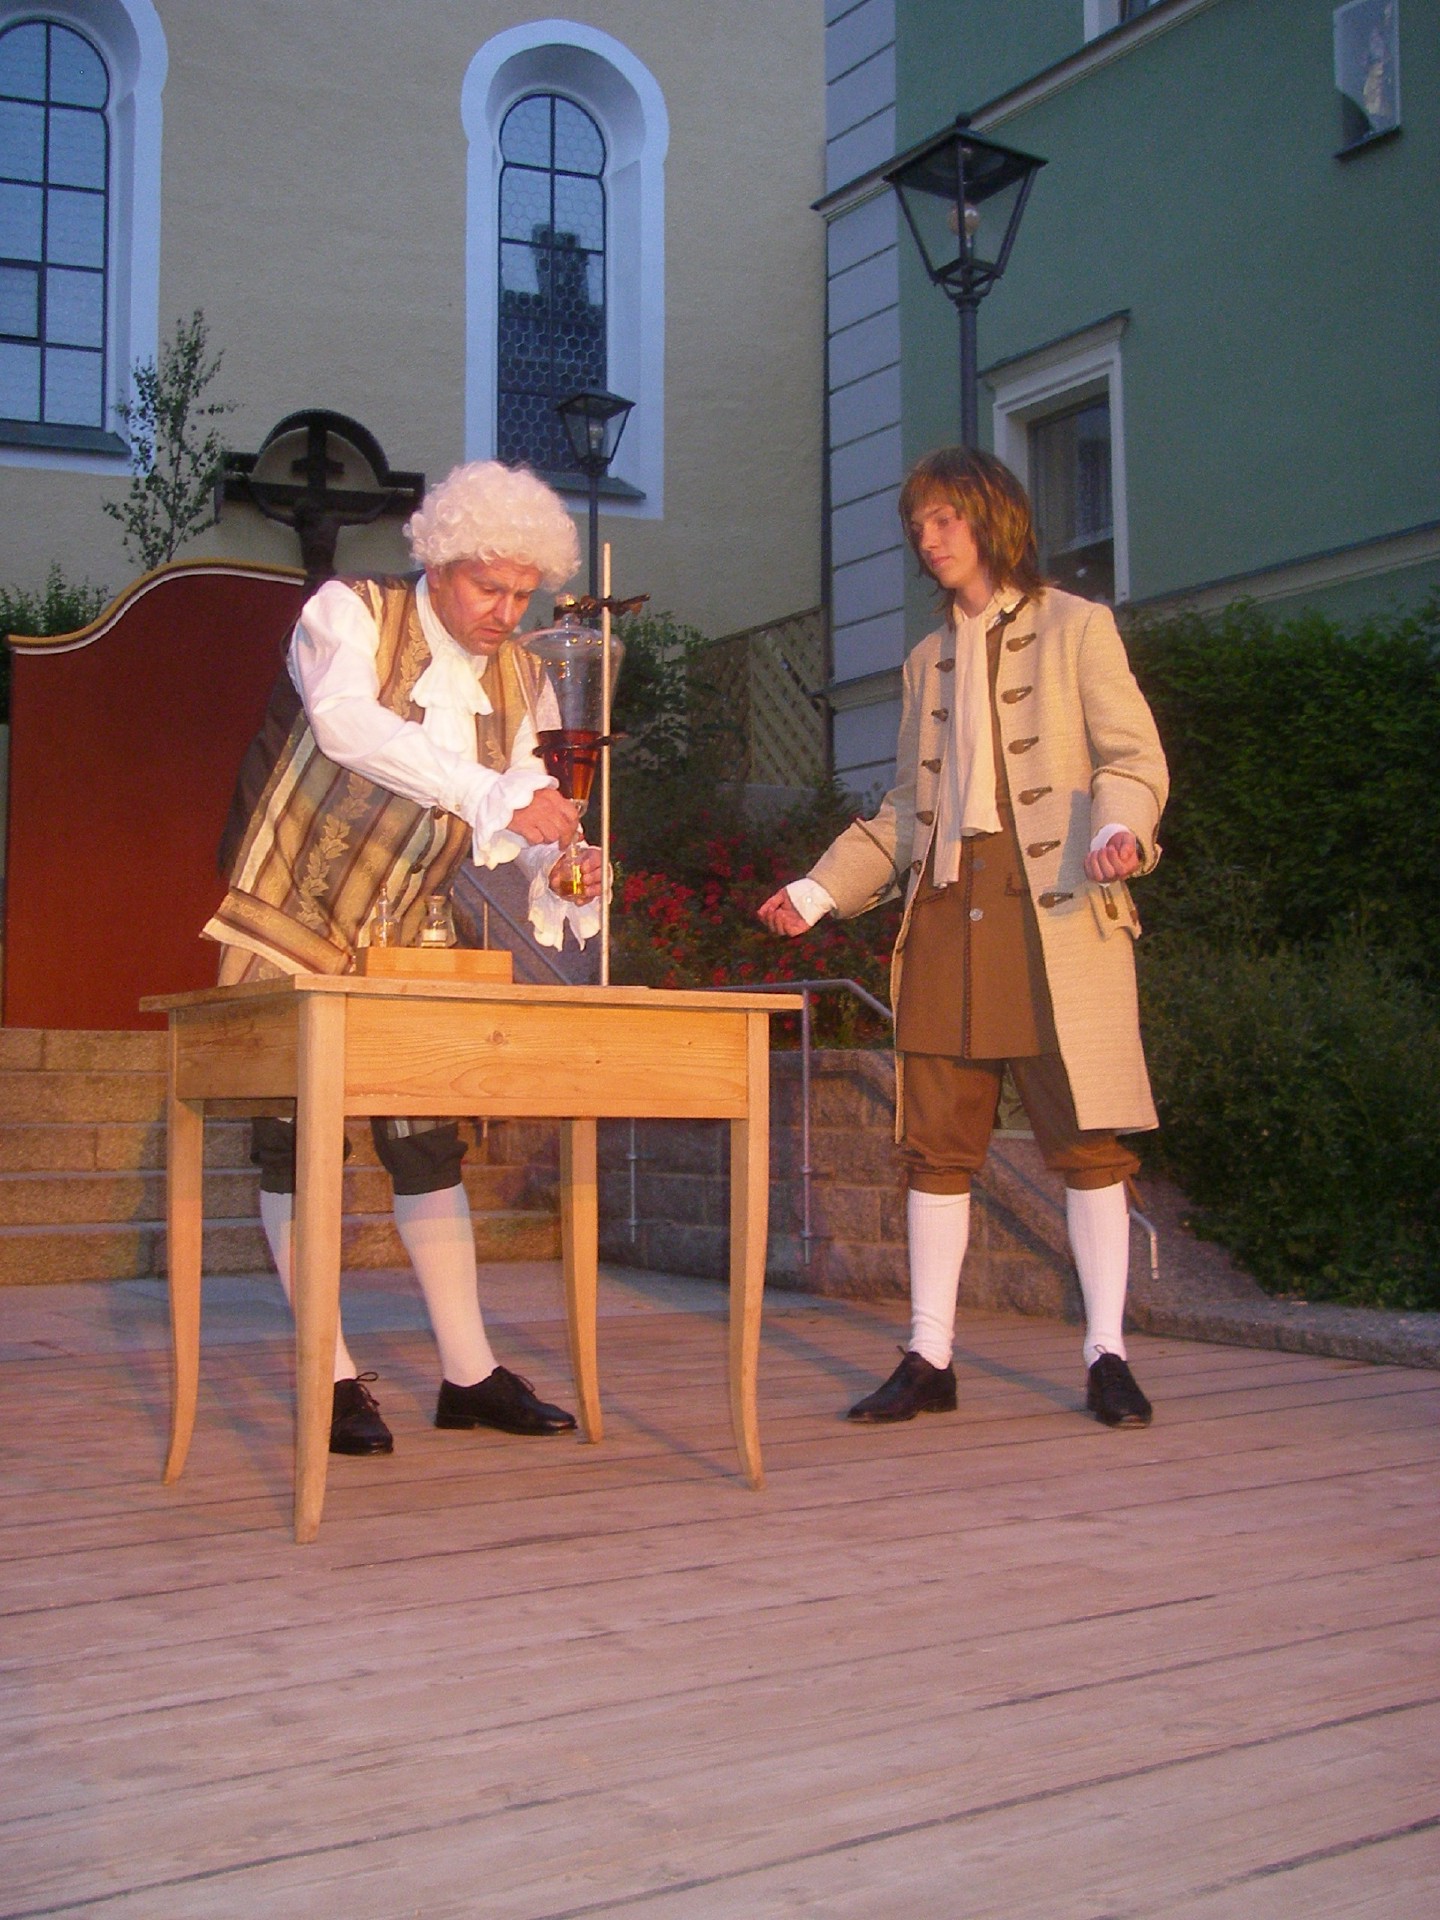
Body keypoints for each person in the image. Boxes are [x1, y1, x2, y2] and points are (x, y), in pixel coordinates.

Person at [759, 447, 1168, 1428]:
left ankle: (1107, 1355)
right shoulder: (924, 659)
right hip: (946, 912)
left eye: (944, 518)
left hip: (1054, 909)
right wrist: (819, 889)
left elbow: (1133, 757)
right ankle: (929, 1356)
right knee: (935, 1145)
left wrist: (1119, 829)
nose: (927, 537)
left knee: (1089, 1140)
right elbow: (907, 811)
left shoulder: (1079, 627)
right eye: (919, 524)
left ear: (992, 517)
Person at [205, 460, 604, 1455]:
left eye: (523, 593)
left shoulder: (524, 678)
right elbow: (349, 727)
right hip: (291, 912)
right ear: (438, 561)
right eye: (488, 588)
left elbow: (519, 813)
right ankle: (330, 1377)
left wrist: (562, 866)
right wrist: (491, 795)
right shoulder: (347, 613)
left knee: (428, 1142)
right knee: (297, 1143)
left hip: (408, 931)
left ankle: (468, 1374)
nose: (507, 613)